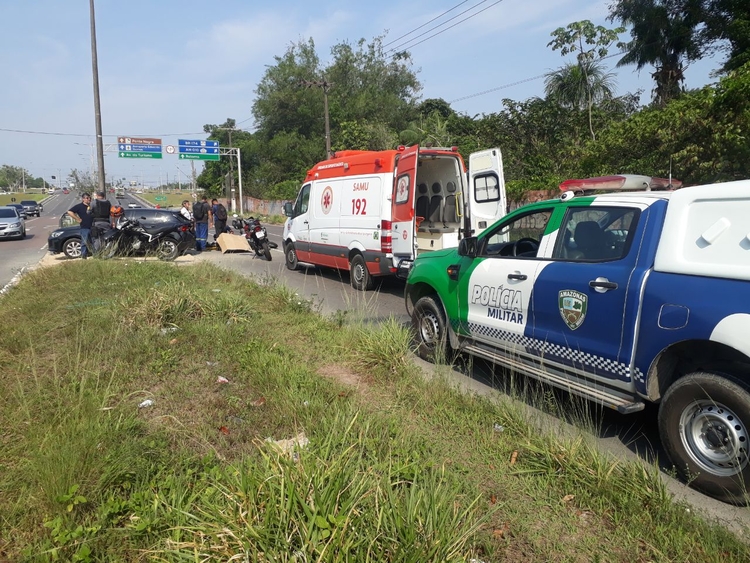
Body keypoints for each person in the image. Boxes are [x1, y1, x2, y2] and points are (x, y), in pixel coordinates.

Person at [67, 192, 94, 259]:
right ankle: (84, 256)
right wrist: (77, 218)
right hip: (85, 227)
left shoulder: (91, 206)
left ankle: (94, 255)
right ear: (83, 199)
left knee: (93, 242)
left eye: (89, 198)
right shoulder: (79, 206)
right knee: (84, 242)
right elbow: (69, 212)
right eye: (87, 198)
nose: (89, 199)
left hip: (93, 227)